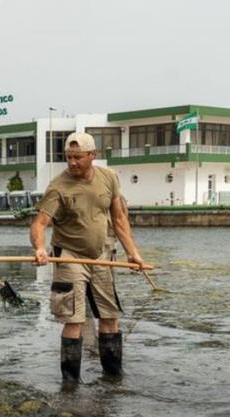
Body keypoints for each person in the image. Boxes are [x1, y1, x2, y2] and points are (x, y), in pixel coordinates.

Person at [31, 132, 146, 385]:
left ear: (92, 156)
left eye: (78, 157)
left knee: (109, 316)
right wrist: (39, 248)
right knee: (75, 319)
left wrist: (133, 253)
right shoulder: (58, 186)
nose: (72, 163)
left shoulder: (109, 178)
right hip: (69, 256)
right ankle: (70, 384)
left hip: (101, 255)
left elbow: (118, 218)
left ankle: (113, 379)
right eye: (68, 157)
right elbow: (39, 224)